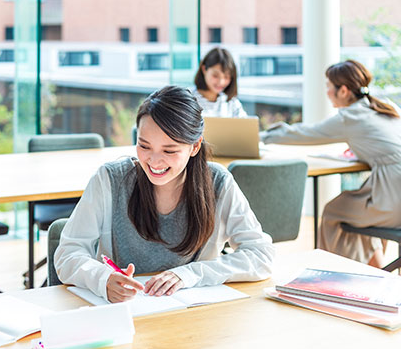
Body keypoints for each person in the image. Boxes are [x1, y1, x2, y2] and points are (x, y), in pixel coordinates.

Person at [55, 86, 274, 303]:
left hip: (193, 317)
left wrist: (190, 274)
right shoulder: (110, 179)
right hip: (124, 314)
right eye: (144, 145)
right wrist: (102, 279)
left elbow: (261, 255)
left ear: (195, 146)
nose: (154, 160)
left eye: (169, 150)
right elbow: (67, 254)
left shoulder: (218, 182)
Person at [261, 60, 401, 268]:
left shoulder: (350, 117)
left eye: (328, 86)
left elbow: (304, 134)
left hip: (391, 198)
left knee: (333, 212)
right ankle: (378, 272)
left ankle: (330, 275)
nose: (326, 92)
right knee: (353, 213)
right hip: (392, 191)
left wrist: (262, 135)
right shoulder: (386, 107)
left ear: (343, 90)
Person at [192, 47, 247, 118]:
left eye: (226, 77)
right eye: (215, 75)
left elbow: (246, 126)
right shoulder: (189, 99)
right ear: (204, 69)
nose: (221, 82)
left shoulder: (232, 103)